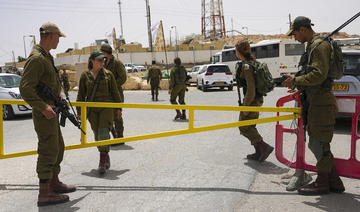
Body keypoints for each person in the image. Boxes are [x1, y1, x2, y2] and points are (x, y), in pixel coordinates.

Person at [283, 16, 345, 195]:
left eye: (294, 33)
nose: (294, 38)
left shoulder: (319, 46)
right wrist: (300, 87)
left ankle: (323, 183)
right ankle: (334, 181)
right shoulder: (314, 45)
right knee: (319, 143)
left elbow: (319, 75)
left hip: (321, 103)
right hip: (316, 100)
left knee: (318, 143)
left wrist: (296, 80)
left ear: (302, 29)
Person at [19, 22, 76, 207]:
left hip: (52, 111)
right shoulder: (37, 59)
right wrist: (43, 107)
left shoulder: (46, 57)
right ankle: (44, 193)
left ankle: (54, 183)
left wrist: (57, 95)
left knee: (58, 147)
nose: (59, 40)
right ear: (50, 35)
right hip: (45, 114)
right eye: (58, 37)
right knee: (48, 150)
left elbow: (44, 84)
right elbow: (25, 88)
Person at [76, 50, 122, 174]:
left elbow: (115, 92)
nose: (102, 62)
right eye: (99, 60)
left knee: (103, 132)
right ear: (92, 60)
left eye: (103, 60)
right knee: (97, 134)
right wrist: (79, 112)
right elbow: (81, 95)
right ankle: (105, 155)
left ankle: (102, 161)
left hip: (106, 108)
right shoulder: (85, 75)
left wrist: (119, 108)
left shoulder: (108, 74)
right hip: (92, 110)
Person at [235, 39, 274, 162]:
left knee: (244, 126)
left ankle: (264, 147)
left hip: (251, 101)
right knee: (250, 125)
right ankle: (259, 151)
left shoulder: (247, 66)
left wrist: (246, 106)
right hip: (257, 100)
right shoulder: (252, 62)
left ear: (238, 52)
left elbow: (251, 88)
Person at [100, 43, 127, 144]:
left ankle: (120, 137)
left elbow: (123, 77)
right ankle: (115, 135)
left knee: (117, 115)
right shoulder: (104, 62)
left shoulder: (117, 63)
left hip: (116, 94)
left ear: (105, 52)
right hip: (106, 94)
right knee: (107, 115)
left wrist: (113, 85)